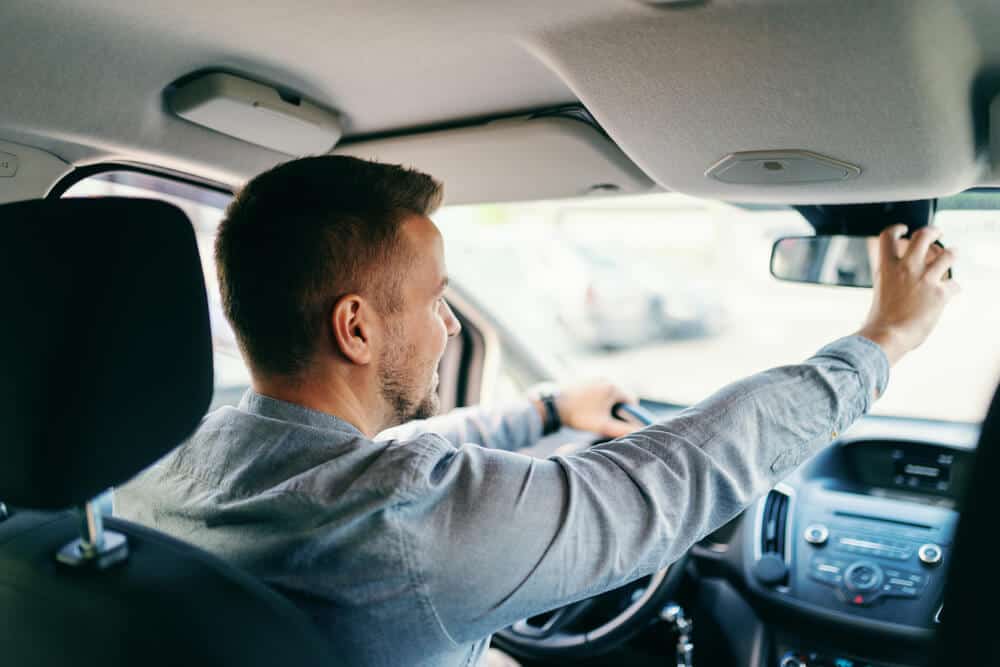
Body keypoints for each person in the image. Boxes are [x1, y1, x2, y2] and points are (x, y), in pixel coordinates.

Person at [118, 156, 958, 667]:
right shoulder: (409, 523)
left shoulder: (162, 463)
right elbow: (671, 475)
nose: (449, 325)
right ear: (358, 326)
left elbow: (392, 461)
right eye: (436, 300)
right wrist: (881, 340)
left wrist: (548, 407)